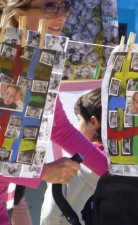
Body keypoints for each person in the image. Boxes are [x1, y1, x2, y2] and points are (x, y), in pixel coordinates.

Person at [2, 1, 108, 224]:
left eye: (65, 5)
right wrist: (43, 172)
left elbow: (61, 130)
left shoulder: (38, 62)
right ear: (18, 13)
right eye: (50, 6)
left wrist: (115, 176)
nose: (61, 16)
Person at [40, 88, 108, 225]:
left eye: (79, 120)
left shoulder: (70, 164)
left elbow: (51, 212)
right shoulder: (129, 169)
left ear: (93, 122)